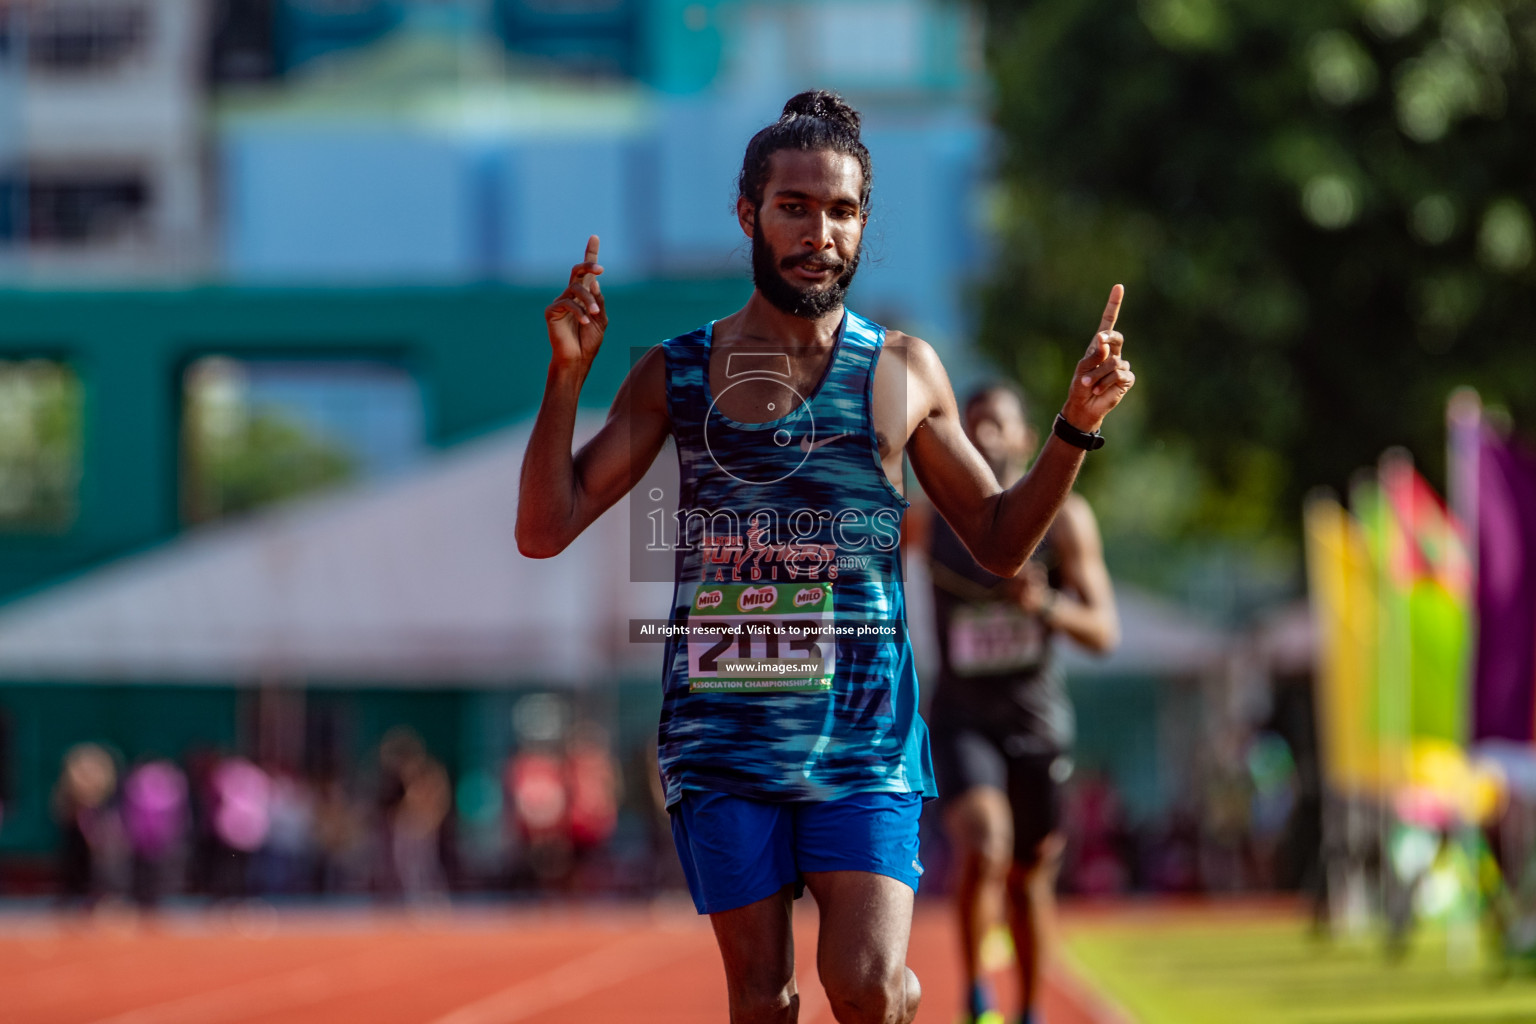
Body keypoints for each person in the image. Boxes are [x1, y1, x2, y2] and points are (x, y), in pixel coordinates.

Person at [517, 89, 1135, 1024]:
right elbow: (544, 526)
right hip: (723, 732)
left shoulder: (903, 371)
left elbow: (1002, 542)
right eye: (794, 207)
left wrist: (1073, 430)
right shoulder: (676, 373)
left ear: (864, 222)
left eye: (841, 210)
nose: (820, 232)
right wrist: (567, 377)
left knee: (868, 985)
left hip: (864, 734)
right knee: (764, 1001)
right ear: (748, 215)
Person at [920, 385, 1120, 1024]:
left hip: (1036, 721)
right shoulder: (928, 520)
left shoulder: (1067, 519)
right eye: (971, 426)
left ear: (1026, 439)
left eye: (998, 426)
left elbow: (1104, 631)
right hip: (962, 717)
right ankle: (979, 997)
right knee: (985, 845)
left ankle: (1030, 1008)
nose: (983, 438)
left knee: (1030, 877)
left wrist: (1045, 606)